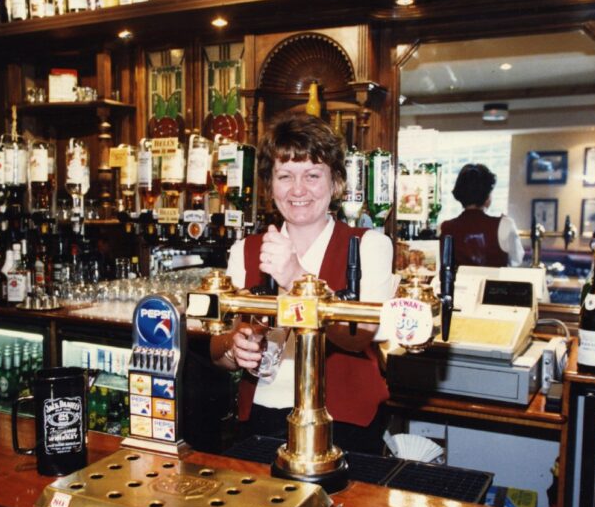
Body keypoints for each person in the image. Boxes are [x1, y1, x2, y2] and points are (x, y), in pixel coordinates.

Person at [209, 113, 400, 454]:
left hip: (345, 425)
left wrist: (296, 276)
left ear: (336, 183)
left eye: (313, 175)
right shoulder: (246, 250)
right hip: (262, 421)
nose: (298, 190)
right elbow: (216, 346)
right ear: (270, 185)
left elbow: (358, 338)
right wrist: (234, 349)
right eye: (285, 176)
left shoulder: (370, 245)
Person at [439, 163, 524, 269]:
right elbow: (517, 262)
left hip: (459, 285)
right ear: (487, 196)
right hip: (494, 285)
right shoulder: (505, 224)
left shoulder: (446, 227)